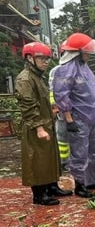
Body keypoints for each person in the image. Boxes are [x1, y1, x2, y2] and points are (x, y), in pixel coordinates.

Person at [52, 33, 95, 198]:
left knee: (93, 151)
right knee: (80, 153)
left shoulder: (84, 67)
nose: (89, 54)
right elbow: (61, 95)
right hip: (78, 119)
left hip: (90, 118)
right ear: (78, 52)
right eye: (86, 51)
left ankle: (92, 180)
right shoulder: (66, 69)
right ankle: (80, 185)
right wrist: (69, 119)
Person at [15, 42, 65, 205]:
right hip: (36, 126)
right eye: (42, 58)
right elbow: (28, 105)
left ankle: (51, 186)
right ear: (30, 58)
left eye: (47, 58)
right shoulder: (26, 79)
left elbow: (41, 99)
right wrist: (39, 127)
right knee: (37, 160)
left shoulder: (37, 76)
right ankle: (39, 194)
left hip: (46, 123)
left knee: (50, 158)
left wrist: (51, 111)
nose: (46, 62)